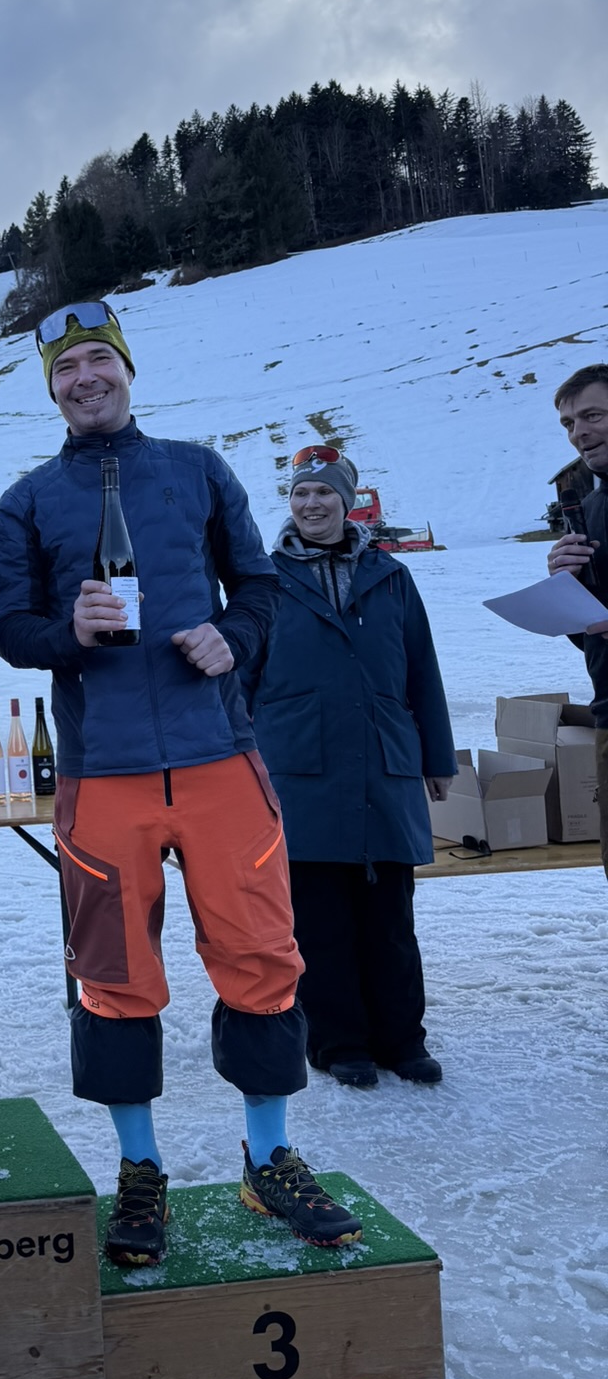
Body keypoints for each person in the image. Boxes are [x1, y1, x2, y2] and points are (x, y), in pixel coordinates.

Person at [0, 300, 361, 1265]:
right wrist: (69, 632)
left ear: (127, 368)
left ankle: (268, 1158)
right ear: (52, 389)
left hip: (219, 759)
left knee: (260, 955)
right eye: (65, 368)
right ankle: (139, 1168)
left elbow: (260, 587)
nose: (85, 378)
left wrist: (231, 637)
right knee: (113, 975)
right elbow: (11, 631)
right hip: (101, 774)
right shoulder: (27, 500)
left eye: (98, 359)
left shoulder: (197, 470)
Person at [243, 446, 455, 1088]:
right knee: (320, 917)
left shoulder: (390, 576)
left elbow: (422, 668)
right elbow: (239, 681)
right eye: (301, 494)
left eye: (324, 493)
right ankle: (340, 1044)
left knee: (391, 916)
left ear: (347, 501)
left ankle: (403, 1040)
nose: (312, 504)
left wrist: (437, 757)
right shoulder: (264, 579)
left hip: (384, 763)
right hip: (298, 767)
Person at [546, 364, 608, 879]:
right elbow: (592, 636)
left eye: (592, 416)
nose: (579, 433)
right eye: (569, 423)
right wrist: (567, 587)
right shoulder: (590, 507)